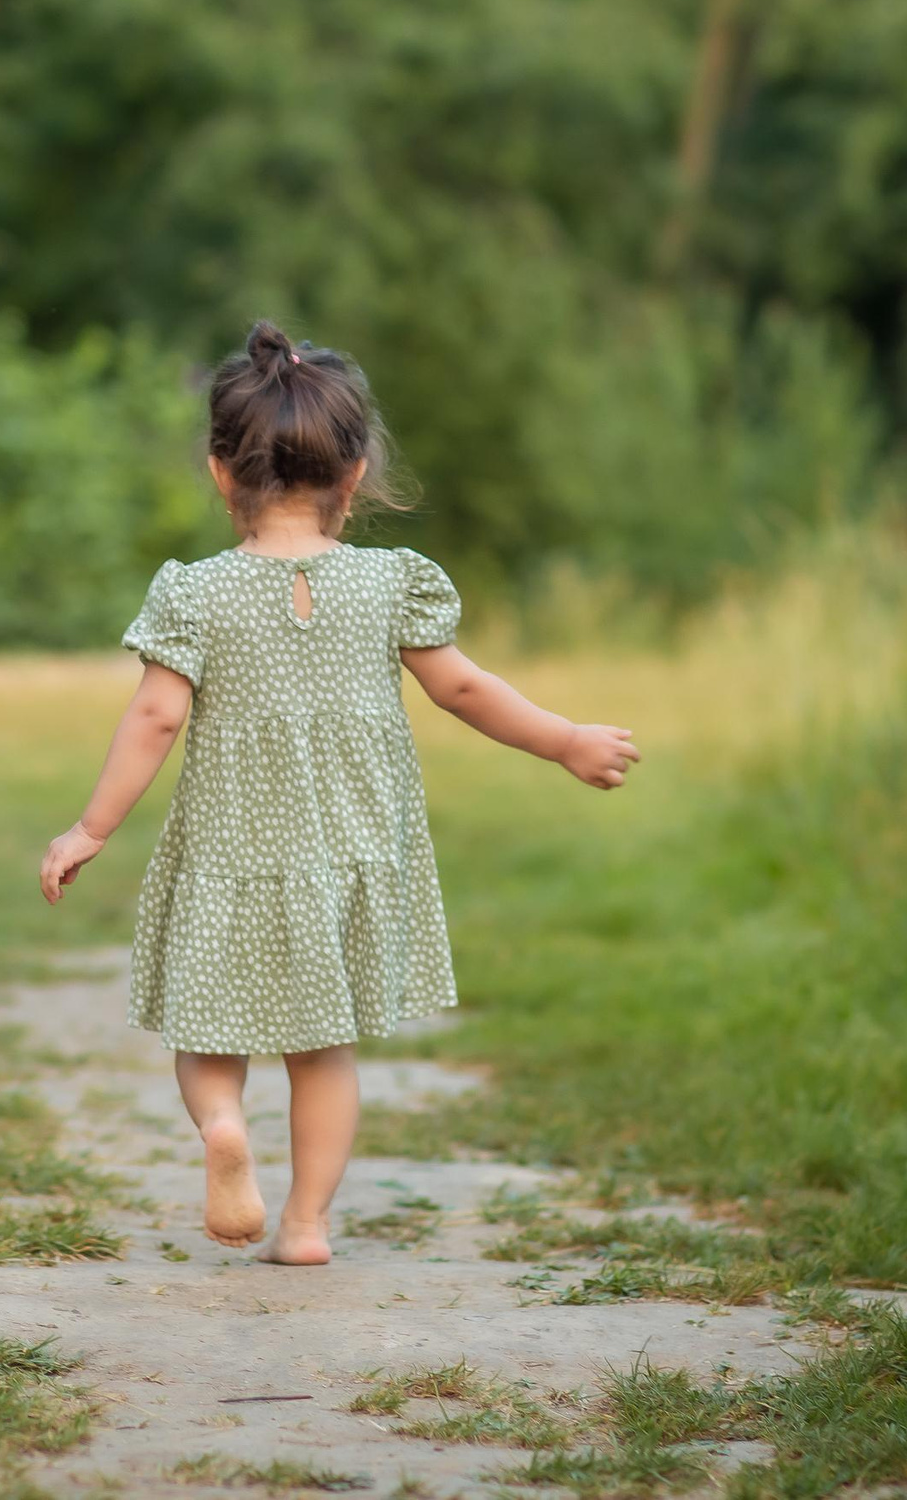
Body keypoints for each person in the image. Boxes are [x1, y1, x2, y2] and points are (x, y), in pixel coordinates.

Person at [37, 320, 639, 1265]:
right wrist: (565, 740)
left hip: (231, 855)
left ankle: (225, 1126)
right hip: (348, 859)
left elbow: (154, 718)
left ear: (220, 474)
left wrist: (90, 827)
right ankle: (307, 1225)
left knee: (208, 1024)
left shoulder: (194, 593)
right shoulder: (394, 584)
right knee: (325, 1052)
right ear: (355, 475)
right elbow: (464, 689)